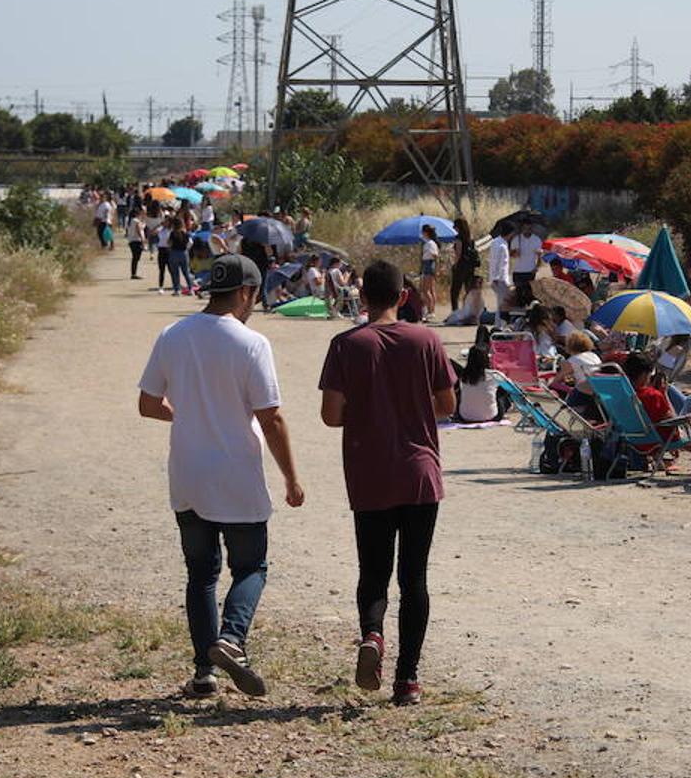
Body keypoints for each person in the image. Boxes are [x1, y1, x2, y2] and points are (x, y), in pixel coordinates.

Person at [138, 254, 304, 698]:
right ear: (248, 293)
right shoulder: (251, 344)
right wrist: (291, 478)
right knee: (251, 566)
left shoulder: (172, 335)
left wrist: (189, 414)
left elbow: (148, 404)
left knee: (201, 575)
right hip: (235, 475)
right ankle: (231, 639)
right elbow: (271, 419)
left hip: (188, 473)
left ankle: (203, 674)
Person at [318, 260, 458, 707]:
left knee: (373, 572)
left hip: (370, 473)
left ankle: (373, 635)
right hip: (420, 474)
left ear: (361, 296)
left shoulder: (346, 345)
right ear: (403, 297)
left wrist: (369, 410)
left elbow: (331, 415)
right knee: (414, 577)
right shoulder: (426, 339)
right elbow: (447, 405)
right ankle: (408, 681)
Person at [450, 344, 504, 423]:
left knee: (462, 392)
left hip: (465, 416)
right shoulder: (494, 375)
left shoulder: (463, 376)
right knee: (501, 392)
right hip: (492, 416)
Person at [552, 331, 601, 411]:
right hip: (597, 390)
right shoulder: (594, 355)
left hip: (583, 393)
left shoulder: (572, 360)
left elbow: (555, 382)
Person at [509, 219, 543, 307]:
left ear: (532, 229)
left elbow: (540, 256)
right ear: (522, 228)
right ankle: (520, 314)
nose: (527, 230)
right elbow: (511, 255)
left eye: (529, 228)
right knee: (519, 295)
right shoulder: (516, 239)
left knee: (529, 295)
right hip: (518, 271)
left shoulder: (536, 240)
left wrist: (537, 267)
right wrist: (515, 253)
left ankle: (530, 314)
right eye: (525, 228)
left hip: (530, 271)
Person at [449, 217, 478, 313]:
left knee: (454, 291)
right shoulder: (470, 238)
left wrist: (455, 264)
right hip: (470, 266)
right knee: (468, 289)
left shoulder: (458, 238)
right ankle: (469, 310)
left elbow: (458, 252)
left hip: (461, 266)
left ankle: (455, 312)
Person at [487, 227, 513, 327]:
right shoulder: (502, 246)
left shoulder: (495, 242)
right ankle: (500, 325)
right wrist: (499, 278)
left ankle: (499, 324)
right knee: (502, 304)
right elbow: (501, 264)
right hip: (501, 279)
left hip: (495, 277)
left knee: (500, 303)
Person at [167, 220, 195, 297]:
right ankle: (190, 289)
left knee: (175, 273)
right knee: (186, 272)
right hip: (183, 253)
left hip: (174, 253)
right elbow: (191, 243)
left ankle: (177, 290)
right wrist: (186, 249)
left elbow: (169, 243)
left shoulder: (173, 233)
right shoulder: (186, 233)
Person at [419, 224, 440, 319]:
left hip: (429, 264)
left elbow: (435, 256)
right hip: (428, 264)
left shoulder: (430, 244)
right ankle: (432, 310)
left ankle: (430, 310)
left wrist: (436, 269)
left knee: (426, 290)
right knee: (431, 289)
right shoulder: (429, 243)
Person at [155, 211, 173, 293]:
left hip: (169, 250)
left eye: (167, 222)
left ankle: (175, 285)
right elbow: (152, 232)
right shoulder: (161, 230)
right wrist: (159, 225)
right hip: (161, 250)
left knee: (171, 269)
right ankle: (161, 286)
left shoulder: (171, 231)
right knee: (161, 270)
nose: (165, 223)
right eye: (164, 221)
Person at [125, 208, 145, 280]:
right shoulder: (136, 221)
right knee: (136, 257)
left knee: (135, 257)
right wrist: (143, 240)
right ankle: (134, 274)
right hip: (137, 240)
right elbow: (139, 230)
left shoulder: (129, 221)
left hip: (131, 240)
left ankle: (133, 273)